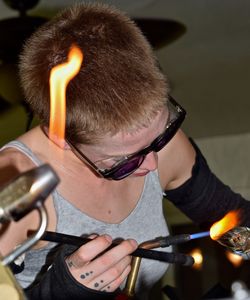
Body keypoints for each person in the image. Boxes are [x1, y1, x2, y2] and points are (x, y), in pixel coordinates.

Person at [0, 2, 250, 300]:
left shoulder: (164, 150)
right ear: (62, 139)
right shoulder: (13, 188)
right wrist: (63, 290)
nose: (153, 163)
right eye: (122, 162)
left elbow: (235, 222)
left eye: (159, 138)